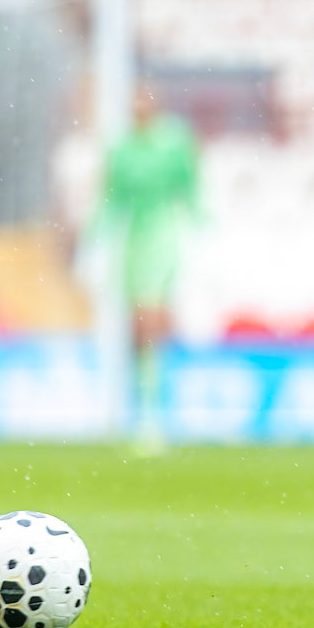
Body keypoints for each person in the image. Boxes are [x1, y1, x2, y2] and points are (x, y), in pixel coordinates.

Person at [92, 84, 200, 454]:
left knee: (153, 321)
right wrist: (94, 244)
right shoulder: (120, 148)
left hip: (163, 236)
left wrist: (204, 235)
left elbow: (190, 190)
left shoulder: (174, 141)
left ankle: (155, 416)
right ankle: (142, 409)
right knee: (137, 330)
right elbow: (110, 200)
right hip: (132, 242)